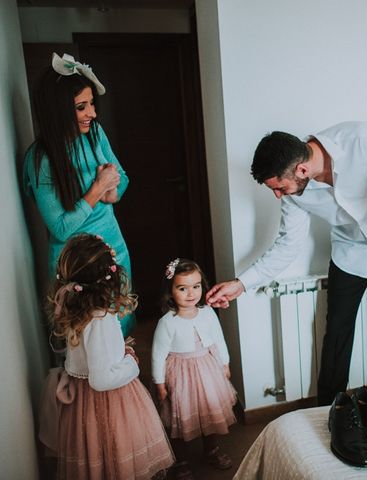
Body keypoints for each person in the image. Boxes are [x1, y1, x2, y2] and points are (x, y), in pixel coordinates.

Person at [206, 121, 367, 406]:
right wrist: (241, 284)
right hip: (350, 251)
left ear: (301, 170)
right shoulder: (294, 194)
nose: (278, 195)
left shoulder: (362, 139)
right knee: (336, 329)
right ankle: (330, 408)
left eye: (279, 187)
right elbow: (287, 245)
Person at [41, 233, 174, 479]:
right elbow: (101, 380)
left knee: (98, 460)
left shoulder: (75, 306)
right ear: (109, 277)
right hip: (108, 403)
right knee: (117, 457)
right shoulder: (98, 317)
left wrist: (119, 350)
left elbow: (92, 355)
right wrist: (131, 363)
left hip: (84, 401)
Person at [23, 52, 135, 336]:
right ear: (58, 111)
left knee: (119, 331)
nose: (92, 114)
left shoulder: (94, 134)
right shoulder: (41, 160)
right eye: (81, 107)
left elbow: (121, 179)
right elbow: (61, 227)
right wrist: (97, 189)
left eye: (92, 104)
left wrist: (112, 190)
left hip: (113, 249)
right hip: (75, 265)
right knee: (84, 338)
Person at [152, 258, 236, 478]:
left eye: (196, 287)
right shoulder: (167, 321)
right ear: (170, 291)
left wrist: (224, 363)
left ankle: (212, 449)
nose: (191, 294)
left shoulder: (207, 312)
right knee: (180, 414)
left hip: (206, 368)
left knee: (209, 410)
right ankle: (180, 459)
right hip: (180, 373)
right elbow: (158, 355)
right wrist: (159, 382)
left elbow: (218, 339)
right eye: (183, 288)